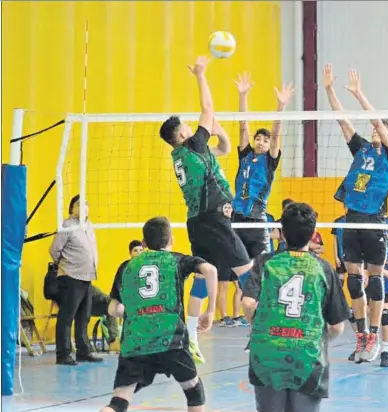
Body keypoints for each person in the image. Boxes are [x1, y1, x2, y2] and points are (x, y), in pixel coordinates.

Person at [159, 56, 253, 363]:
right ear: (183, 134)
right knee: (247, 272)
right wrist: (201, 75)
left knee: (202, 276)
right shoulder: (192, 146)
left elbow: (223, 149)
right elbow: (208, 109)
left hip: (197, 221)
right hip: (214, 218)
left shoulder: (183, 156)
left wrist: (221, 132)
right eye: (188, 126)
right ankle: (266, 329)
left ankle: (191, 338)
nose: (193, 125)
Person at [100, 217, 218, 412]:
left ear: (144, 243)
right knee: (193, 392)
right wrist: (210, 311)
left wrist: (133, 311)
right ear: (171, 240)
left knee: (119, 402)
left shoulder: (126, 267)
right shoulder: (177, 260)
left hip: (135, 341)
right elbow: (211, 270)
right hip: (170, 338)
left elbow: (114, 308)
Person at [242, 202, 350, 412]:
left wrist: (259, 324)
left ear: (281, 233)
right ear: (312, 235)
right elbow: (337, 326)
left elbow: (247, 303)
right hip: (307, 355)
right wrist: (316, 337)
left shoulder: (265, 263)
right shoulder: (323, 268)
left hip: (267, 353)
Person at [324, 64, 388, 363]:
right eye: (374, 131)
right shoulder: (363, 150)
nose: (375, 132)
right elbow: (342, 122)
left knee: (376, 278)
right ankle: (364, 337)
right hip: (351, 218)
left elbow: (377, 122)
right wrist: (329, 89)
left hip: (374, 221)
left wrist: (358, 93)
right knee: (354, 279)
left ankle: (377, 333)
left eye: (381, 131)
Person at [232, 72, 295, 257]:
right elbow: (243, 126)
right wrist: (242, 95)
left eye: (265, 141)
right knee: (235, 266)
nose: (261, 142)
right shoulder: (245, 155)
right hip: (237, 218)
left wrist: (281, 105)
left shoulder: (269, 160)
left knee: (262, 264)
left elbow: (276, 134)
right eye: (258, 139)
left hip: (257, 220)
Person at [49, 194, 102, 365]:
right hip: (71, 277)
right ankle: (63, 354)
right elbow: (54, 250)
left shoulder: (88, 226)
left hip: (87, 277)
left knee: (84, 316)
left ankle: (83, 351)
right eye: (79, 204)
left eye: (86, 204)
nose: (84, 207)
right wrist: (67, 265)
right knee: (66, 317)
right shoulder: (67, 225)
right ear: (72, 208)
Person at [331, 208, 347, 286]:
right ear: (344, 207)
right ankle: (339, 297)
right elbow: (335, 240)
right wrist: (336, 256)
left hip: (353, 256)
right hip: (340, 255)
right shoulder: (338, 221)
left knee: (354, 278)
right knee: (340, 278)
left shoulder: (356, 221)